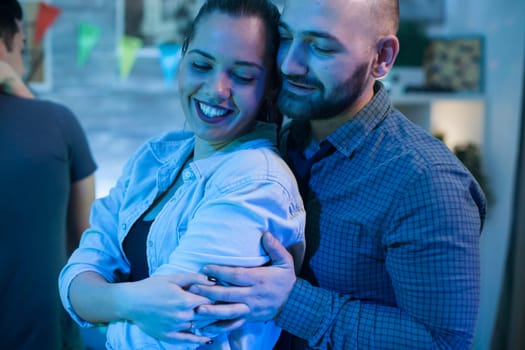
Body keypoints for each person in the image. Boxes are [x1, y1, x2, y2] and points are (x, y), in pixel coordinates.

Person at [189, 0, 488, 349]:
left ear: (383, 57)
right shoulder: (281, 139)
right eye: (286, 37)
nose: (289, 64)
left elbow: (442, 344)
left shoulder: (426, 181)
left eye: (321, 47)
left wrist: (289, 301)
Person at [58, 0, 305, 349]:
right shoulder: (157, 156)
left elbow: (161, 339)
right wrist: (133, 303)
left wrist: (99, 312)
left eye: (243, 75)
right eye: (201, 64)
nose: (216, 89)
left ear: (270, 88)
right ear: (183, 56)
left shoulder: (256, 180)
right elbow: (76, 272)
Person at [0, 1, 97, 349]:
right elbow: (86, 245)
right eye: (23, 48)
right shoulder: (58, 124)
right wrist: (18, 87)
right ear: (5, 44)